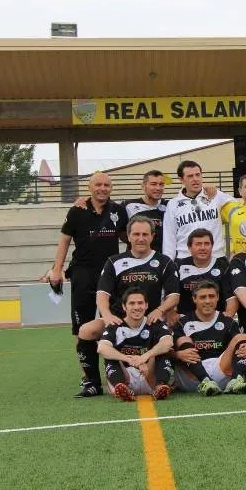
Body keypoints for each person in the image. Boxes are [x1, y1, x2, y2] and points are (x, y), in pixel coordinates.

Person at [43, 172, 128, 398]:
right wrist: (57, 269)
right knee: (81, 328)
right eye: (98, 184)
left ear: (111, 188)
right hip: (83, 275)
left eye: (107, 185)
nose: (102, 188)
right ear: (89, 187)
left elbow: (129, 237)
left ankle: (117, 373)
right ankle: (89, 378)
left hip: (111, 275)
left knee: (114, 322)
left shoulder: (119, 211)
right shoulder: (77, 210)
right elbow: (64, 241)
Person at [74, 217, 180, 396]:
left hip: (151, 320)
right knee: (86, 331)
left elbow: (174, 296)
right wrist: (107, 315)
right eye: (136, 234)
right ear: (128, 237)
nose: (141, 238)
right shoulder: (114, 261)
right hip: (119, 319)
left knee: (174, 336)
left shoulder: (164, 262)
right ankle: (92, 383)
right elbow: (102, 294)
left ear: (152, 236)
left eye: (145, 234)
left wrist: (160, 310)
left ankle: (169, 379)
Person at [173, 280, 246, 396]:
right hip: (192, 377)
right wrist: (177, 355)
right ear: (194, 299)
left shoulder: (228, 322)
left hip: (220, 371)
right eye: (203, 297)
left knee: (242, 337)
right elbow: (167, 352)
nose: (207, 301)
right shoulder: (182, 322)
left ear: (217, 298)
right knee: (184, 340)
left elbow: (242, 347)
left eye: (211, 296)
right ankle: (205, 381)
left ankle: (236, 380)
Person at [97, 287, 174, 401]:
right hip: (125, 376)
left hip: (149, 377)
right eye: (132, 303)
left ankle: (160, 386)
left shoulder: (154, 323)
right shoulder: (115, 325)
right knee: (110, 355)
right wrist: (128, 359)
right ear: (124, 307)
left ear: (146, 305)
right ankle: (122, 387)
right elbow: (102, 348)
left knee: (163, 351)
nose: (137, 307)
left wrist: (145, 357)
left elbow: (168, 342)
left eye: (140, 303)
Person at [162, 160, 233, 260]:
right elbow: (169, 238)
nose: (195, 179)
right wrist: (168, 263)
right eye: (190, 176)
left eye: (198, 175)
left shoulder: (215, 195)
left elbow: (241, 208)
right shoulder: (173, 204)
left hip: (216, 257)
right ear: (181, 179)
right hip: (186, 259)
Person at [176, 228, 231, 317]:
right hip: (185, 320)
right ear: (189, 247)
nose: (202, 248)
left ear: (212, 246)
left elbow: (231, 298)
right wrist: (172, 315)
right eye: (198, 244)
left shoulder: (223, 266)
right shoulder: (179, 266)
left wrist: (228, 317)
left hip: (215, 321)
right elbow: (171, 295)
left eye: (206, 244)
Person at [122, 170, 170, 253]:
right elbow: (120, 231)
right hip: (137, 257)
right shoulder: (128, 205)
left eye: (161, 184)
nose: (158, 188)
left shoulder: (169, 205)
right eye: (153, 184)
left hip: (163, 257)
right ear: (143, 186)